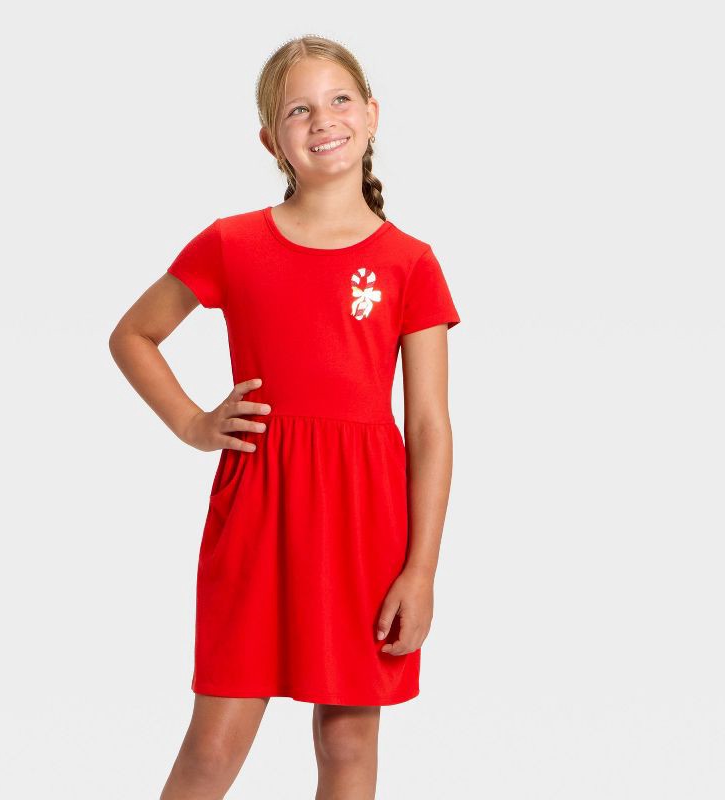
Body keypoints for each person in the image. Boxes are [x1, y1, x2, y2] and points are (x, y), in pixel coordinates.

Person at [109, 34, 461, 800]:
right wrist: (193, 423)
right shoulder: (232, 242)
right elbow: (133, 335)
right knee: (213, 748)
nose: (322, 119)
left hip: (365, 526)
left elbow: (430, 428)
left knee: (346, 742)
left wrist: (421, 570)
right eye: (298, 110)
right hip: (257, 516)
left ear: (371, 115)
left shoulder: (411, 263)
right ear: (272, 139)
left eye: (339, 100)